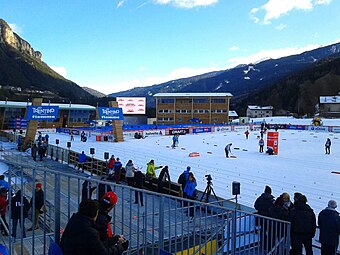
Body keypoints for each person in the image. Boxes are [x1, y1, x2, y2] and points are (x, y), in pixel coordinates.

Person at [60, 199, 128, 255]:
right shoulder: (90, 231)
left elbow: (98, 245)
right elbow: (103, 253)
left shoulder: (75, 220)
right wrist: (121, 247)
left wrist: (115, 239)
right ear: (94, 214)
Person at [254, 185, 275, 250]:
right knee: (270, 233)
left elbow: (256, 206)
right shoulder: (272, 200)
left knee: (262, 232)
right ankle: (270, 246)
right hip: (269, 219)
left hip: (261, 218)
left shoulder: (260, 198)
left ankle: (263, 245)